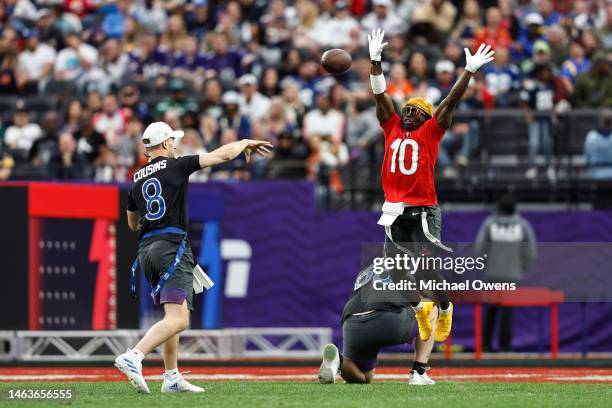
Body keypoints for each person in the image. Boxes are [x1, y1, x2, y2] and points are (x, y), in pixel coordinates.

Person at [115, 122, 272, 394]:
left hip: (147, 249)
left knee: (174, 312)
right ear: (164, 144)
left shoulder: (136, 177)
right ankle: (134, 356)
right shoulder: (177, 165)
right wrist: (244, 142)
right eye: (173, 141)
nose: (175, 145)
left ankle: (171, 376)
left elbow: (131, 223)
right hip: (170, 246)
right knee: (180, 319)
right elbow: (220, 156)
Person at [367, 28, 495, 342]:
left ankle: (446, 306)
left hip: (423, 209)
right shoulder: (392, 126)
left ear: (427, 119)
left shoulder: (430, 132)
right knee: (396, 273)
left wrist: (467, 72)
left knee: (425, 269)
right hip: (394, 210)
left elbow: (449, 103)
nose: (409, 114)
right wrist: (375, 61)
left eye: (416, 112)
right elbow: (380, 97)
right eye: (407, 109)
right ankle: (422, 308)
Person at [318, 263, 439, 385]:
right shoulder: (412, 266)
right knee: (431, 308)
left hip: (352, 325)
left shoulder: (367, 269)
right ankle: (419, 372)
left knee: (364, 377)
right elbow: (430, 296)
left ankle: (338, 361)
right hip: (386, 321)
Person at [474, 194, 537, 352]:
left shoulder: (489, 224)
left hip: (492, 275)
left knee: (490, 310)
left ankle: (485, 345)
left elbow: (479, 249)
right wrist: (520, 269)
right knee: (507, 312)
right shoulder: (522, 225)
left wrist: (486, 267)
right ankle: (505, 346)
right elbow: (531, 252)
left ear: (499, 208)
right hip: (513, 276)